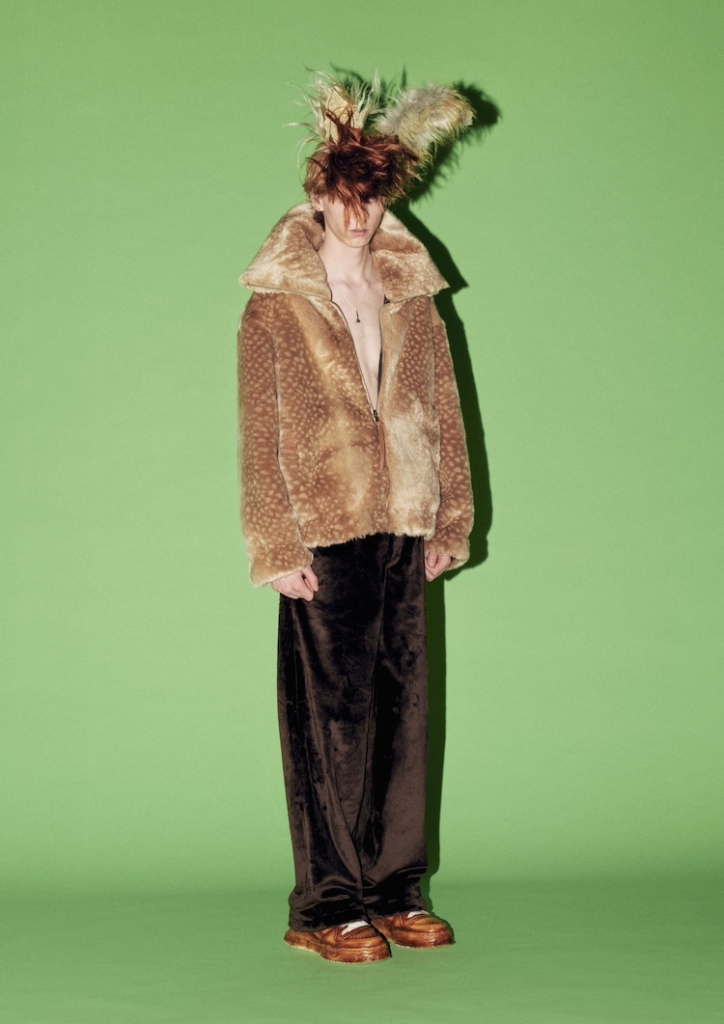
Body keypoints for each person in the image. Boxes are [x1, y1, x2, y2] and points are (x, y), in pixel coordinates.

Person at [237, 75, 474, 964]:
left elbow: (444, 412)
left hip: (405, 523)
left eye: (372, 199)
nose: (358, 215)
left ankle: (394, 891)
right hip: (323, 529)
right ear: (319, 192)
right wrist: (274, 543)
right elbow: (258, 431)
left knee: (403, 716)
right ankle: (325, 906)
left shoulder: (412, 293)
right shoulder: (274, 304)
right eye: (345, 196)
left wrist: (450, 520)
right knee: (330, 723)